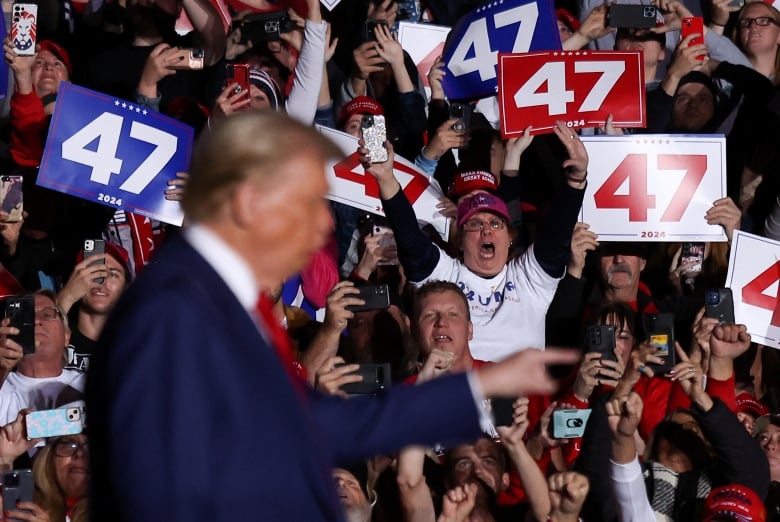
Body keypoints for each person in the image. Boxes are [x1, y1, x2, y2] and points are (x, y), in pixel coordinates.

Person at [87, 110, 578, 519]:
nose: (324, 221)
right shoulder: (177, 308)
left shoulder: (229, 300)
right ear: (249, 200)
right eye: (305, 201)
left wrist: (479, 387)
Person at [365, 121, 588, 361]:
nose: (486, 231)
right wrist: (386, 179)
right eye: (475, 224)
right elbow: (408, 236)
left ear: (509, 237)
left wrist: (576, 181)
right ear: (460, 241)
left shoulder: (528, 279)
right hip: (459, 394)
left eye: (495, 224)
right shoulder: (444, 276)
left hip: (520, 396)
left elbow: (557, 236)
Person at [0, 290, 85, 426]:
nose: (36, 320)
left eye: (47, 314)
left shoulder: (92, 385)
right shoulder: (4, 387)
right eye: (26, 317)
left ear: (66, 336)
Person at [56, 241, 132, 372]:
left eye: (113, 274)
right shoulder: (56, 337)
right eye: (93, 272)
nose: (102, 282)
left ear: (126, 288)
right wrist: (67, 296)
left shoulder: (132, 346)